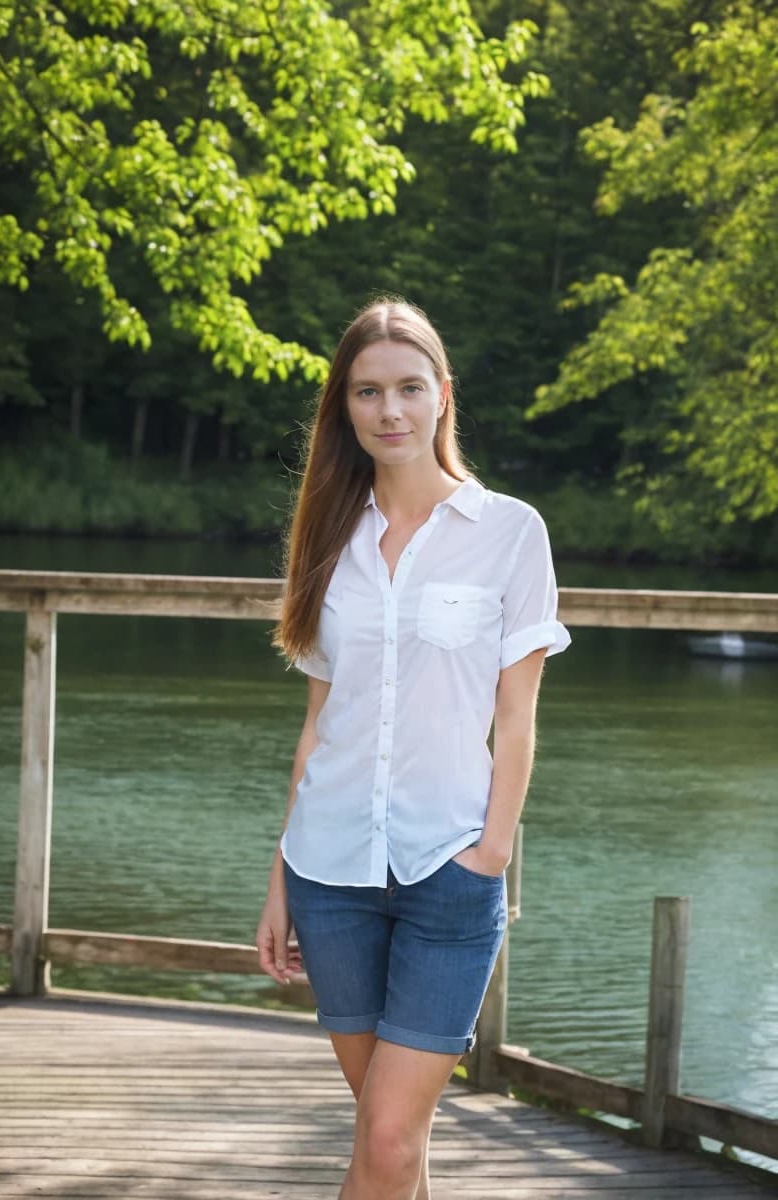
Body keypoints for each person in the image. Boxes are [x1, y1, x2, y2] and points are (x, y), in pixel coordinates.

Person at [256, 297, 570, 1200]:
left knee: (389, 1138)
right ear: (343, 407)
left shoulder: (511, 533)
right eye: (366, 392)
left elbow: (517, 719)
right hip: (330, 874)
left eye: (407, 388)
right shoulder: (325, 536)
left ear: (442, 396)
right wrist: (281, 875)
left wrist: (491, 856)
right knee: (389, 1145)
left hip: (450, 874)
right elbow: (320, 722)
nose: (389, 411)